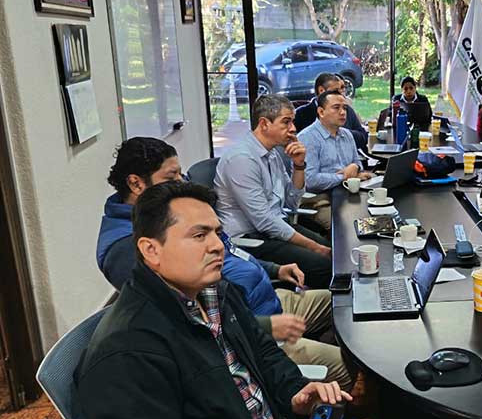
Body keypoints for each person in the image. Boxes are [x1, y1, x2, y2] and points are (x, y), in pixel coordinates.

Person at [78, 182, 377, 419]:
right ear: (151, 250)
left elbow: (265, 354)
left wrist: (295, 393)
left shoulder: (215, 291)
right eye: (199, 235)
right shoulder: (126, 351)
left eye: (216, 233)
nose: (217, 245)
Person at [96, 138, 352, 389]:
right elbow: (194, 327)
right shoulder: (126, 250)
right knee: (351, 366)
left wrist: (275, 269)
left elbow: (231, 252)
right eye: (171, 177)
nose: (181, 182)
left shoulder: (178, 219)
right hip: (249, 329)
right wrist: (263, 327)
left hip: (262, 302)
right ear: (136, 183)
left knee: (346, 302)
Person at [215, 94, 333, 289]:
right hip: (250, 239)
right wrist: (314, 247)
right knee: (324, 265)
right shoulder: (242, 159)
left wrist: (299, 165)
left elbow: (291, 203)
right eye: (286, 122)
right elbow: (263, 221)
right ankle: (319, 305)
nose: (293, 128)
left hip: (274, 228)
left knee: (332, 249)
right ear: (264, 124)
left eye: (292, 121)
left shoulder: (272, 154)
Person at [299, 90, 373, 195]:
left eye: (345, 108)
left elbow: (357, 162)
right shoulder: (307, 138)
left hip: (348, 190)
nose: (343, 112)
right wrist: (345, 177)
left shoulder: (347, 134)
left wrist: (356, 167)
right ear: (321, 112)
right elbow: (311, 180)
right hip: (323, 196)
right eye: (336, 107)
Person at [294, 72, 368, 150]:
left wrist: (341, 133)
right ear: (321, 90)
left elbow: (363, 137)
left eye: (341, 89)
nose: (341, 94)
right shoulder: (301, 114)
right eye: (335, 91)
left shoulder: (346, 110)